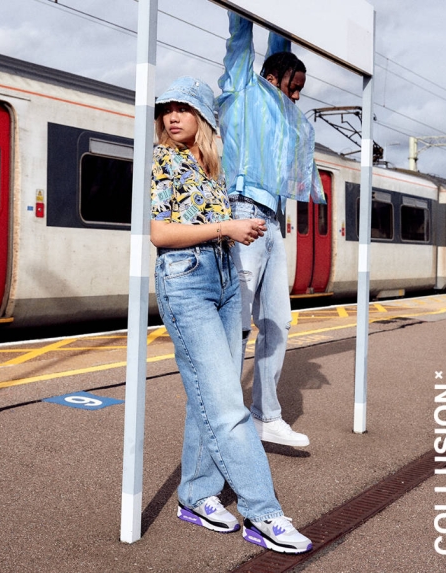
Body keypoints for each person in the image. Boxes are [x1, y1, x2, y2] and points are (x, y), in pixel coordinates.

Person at [151, 75, 312, 554]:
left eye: (183, 107)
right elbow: (160, 233)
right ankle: (264, 514)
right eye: (167, 108)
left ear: (203, 116)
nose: (172, 116)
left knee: (206, 396)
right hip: (187, 283)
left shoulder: (213, 168)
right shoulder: (164, 160)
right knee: (227, 407)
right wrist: (227, 225)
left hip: (224, 281)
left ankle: (196, 495)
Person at [217, 13, 326, 448]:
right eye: (293, 86)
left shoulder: (284, 117)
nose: (297, 96)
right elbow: (241, 36)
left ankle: (265, 415)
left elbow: (277, 33)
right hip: (244, 212)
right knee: (238, 324)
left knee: (277, 322)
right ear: (271, 76)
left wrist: (281, 18)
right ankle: (225, 416)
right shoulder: (244, 89)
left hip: (275, 224)